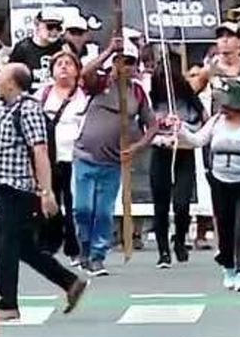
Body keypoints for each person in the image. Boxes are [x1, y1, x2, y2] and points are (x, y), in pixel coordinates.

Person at [0, 62, 87, 320]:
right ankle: (69, 281)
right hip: (3, 185)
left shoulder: (28, 109)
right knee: (22, 246)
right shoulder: (7, 109)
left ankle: (7, 303)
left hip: (18, 186)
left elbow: (40, 150)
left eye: (1, 78)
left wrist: (46, 192)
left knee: (4, 244)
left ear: (12, 83)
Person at [174, 78, 240, 292]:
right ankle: (228, 266)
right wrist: (180, 129)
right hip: (221, 182)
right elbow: (197, 141)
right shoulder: (215, 122)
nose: (222, 108)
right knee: (224, 226)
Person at [73, 36, 159, 275]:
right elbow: (84, 73)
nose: (126, 67)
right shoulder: (99, 83)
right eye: (121, 61)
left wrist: (137, 146)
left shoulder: (138, 93)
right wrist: (109, 48)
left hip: (113, 161)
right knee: (82, 209)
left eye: (130, 62)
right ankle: (84, 247)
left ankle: (97, 255)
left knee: (103, 211)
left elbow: (151, 125)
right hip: (85, 156)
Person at [148, 49, 204, 268]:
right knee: (160, 205)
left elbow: (199, 126)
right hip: (161, 154)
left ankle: (180, 239)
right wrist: (160, 136)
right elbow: (144, 128)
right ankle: (163, 252)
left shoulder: (190, 104)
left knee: (181, 203)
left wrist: (182, 129)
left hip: (184, 154)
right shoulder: (152, 104)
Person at [38, 49, 88, 259]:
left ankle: (74, 244)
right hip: (49, 156)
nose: (64, 67)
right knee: (50, 199)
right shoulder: (43, 93)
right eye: (59, 64)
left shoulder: (83, 97)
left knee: (73, 202)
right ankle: (49, 241)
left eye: (69, 63)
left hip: (74, 156)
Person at [8, 11, 67, 84]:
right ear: (37, 26)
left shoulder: (63, 47)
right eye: (50, 27)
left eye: (58, 28)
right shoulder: (23, 48)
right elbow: (11, 74)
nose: (54, 32)